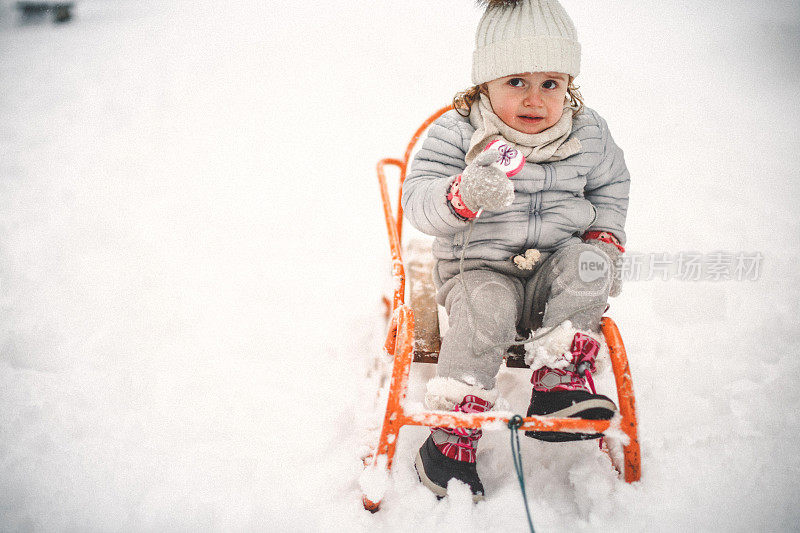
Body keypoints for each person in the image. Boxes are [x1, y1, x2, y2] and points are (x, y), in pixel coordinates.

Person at [400, 0, 630, 502]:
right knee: (486, 306)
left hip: (555, 269)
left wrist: (603, 239)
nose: (534, 99)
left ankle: (560, 385)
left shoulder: (588, 132)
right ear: (485, 83)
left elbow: (611, 185)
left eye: (550, 83)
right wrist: (460, 195)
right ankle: (450, 435)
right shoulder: (457, 134)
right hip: (479, 269)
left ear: (568, 83)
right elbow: (417, 202)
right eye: (515, 82)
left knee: (591, 265)